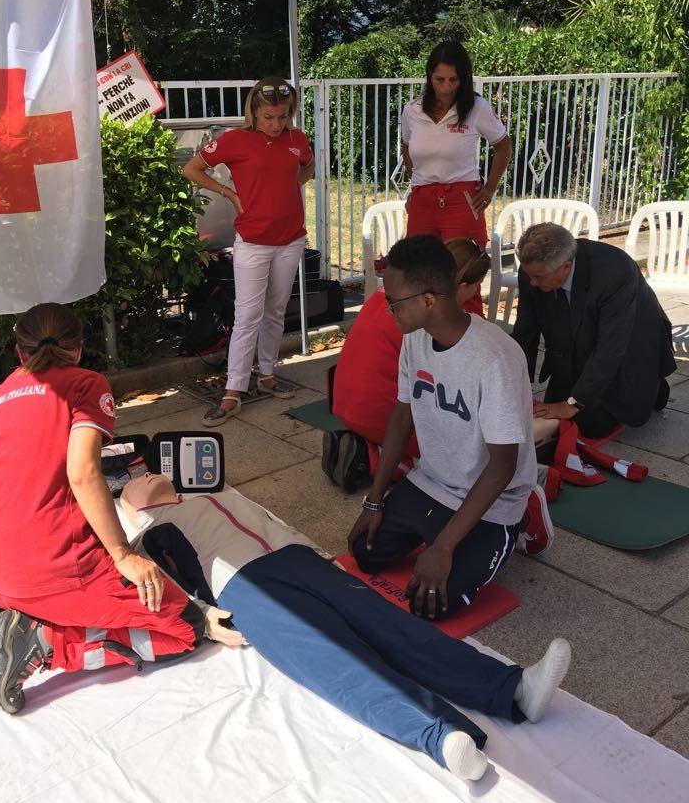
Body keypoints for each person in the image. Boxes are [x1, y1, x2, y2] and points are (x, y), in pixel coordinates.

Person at [118, 472, 572, 782]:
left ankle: (512, 689)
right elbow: (165, 583)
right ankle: (439, 734)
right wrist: (201, 616)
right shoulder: (147, 536)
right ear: (131, 508)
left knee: (389, 624)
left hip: (297, 561)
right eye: (133, 482)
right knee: (333, 659)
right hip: (240, 586)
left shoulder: (216, 493)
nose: (143, 475)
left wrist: (314, 552)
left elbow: (275, 523)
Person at [0, 303, 243, 714]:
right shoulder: (85, 383)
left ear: (19, 353)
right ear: (78, 348)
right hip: (53, 572)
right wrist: (122, 554)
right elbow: (83, 473)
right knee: (185, 630)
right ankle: (47, 643)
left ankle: (16, 618)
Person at [347, 235, 538, 620]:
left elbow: (503, 465)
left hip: (493, 498)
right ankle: (439, 531)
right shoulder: (416, 339)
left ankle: (525, 517)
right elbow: (401, 416)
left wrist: (444, 547)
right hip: (433, 482)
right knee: (364, 553)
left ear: (429, 300)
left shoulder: (495, 359)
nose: (387, 311)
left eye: (393, 302)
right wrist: (375, 498)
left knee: (430, 604)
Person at [328, 238, 557, 489]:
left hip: (345, 404)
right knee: (475, 451)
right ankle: (375, 459)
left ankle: (370, 450)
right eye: (476, 288)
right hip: (382, 414)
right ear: (461, 286)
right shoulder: (419, 322)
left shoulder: (400, 299)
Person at [182, 77, 315, 425]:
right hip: (254, 242)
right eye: (268, 117)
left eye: (282, 117)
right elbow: (191, 168)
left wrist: (290, 185)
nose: (276, 124)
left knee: (275, 310)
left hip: (290, 239)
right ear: (254, 112)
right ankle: (233, 390)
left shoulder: (296, 139)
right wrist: (229, 193)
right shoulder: (235, 140)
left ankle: (267, 374)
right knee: (247, 315)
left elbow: (309, 166)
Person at [512, 223, 676, 439]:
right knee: (556, 416)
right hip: (580, 340)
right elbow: (525, 331)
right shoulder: (533, 271)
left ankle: (652, 387)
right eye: (528, 275)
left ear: (565, 266)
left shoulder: (615, 272)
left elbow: (611, 345)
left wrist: (573, 403)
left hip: (632, 340)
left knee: (591, 424)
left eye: (539, 277)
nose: (531, 283)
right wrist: (514, 386)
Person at [400, 41, 511, 315]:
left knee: (464, 278)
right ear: (429, 76)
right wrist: (417, 184)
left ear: (463, 78)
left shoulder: (476, 107)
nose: (446, 87)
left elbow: (503, 145)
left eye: (453, 80)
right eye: (439, 79)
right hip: (423, 202)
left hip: (462, 201)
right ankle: (423, 345)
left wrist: (489, 188)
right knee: (419, 276)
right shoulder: (412, 110)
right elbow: (406, 146)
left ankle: (470, 348)